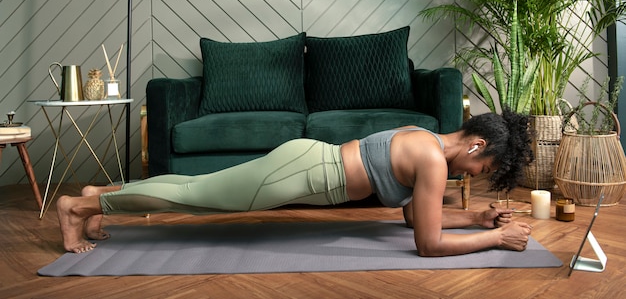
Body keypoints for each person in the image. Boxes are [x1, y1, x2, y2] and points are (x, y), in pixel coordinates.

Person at [57, 109, 534, 256]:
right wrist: (496, 237)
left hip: (306, 165)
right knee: (195, 197)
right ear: (476, 147)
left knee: (193, 185)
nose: (476, 177)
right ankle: (75, 210)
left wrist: (474, 217)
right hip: (303, 173)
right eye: (485, 169)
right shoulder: (431, 158)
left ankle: (98, 197)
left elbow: (414, 215)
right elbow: (426, 243)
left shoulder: (428, 143)